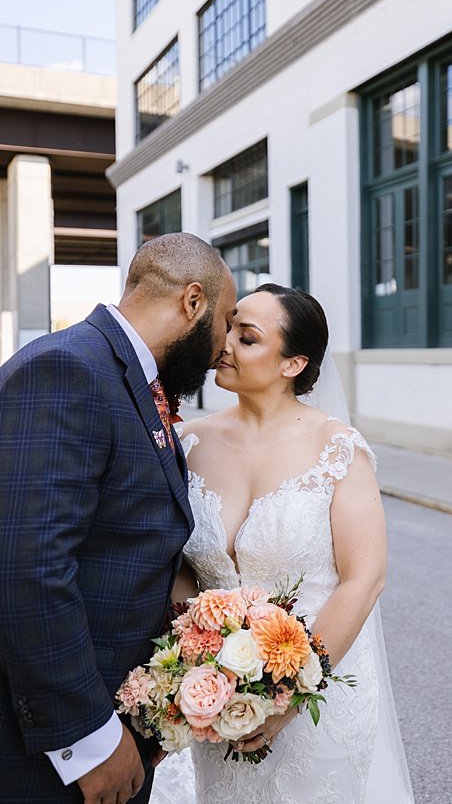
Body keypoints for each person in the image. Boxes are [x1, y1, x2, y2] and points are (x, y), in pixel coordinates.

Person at [146, 284, 412, 803]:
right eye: (228, 329)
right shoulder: (190, 444)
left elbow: (365, 578)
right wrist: (188, 660)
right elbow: (183, 565)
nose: (224, 345)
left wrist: (291, 696)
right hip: (220, 693)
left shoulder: (336, 449)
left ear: (293, 364)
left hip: (319, 694)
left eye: (247, 338)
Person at [0, 233, 238, 803]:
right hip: (57, 753)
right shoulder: (67, 369)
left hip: (121, 726)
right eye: (227, 321)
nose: (223, 344)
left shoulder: (128, 377)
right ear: (194, 302)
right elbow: (28, 567)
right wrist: (87, 739)